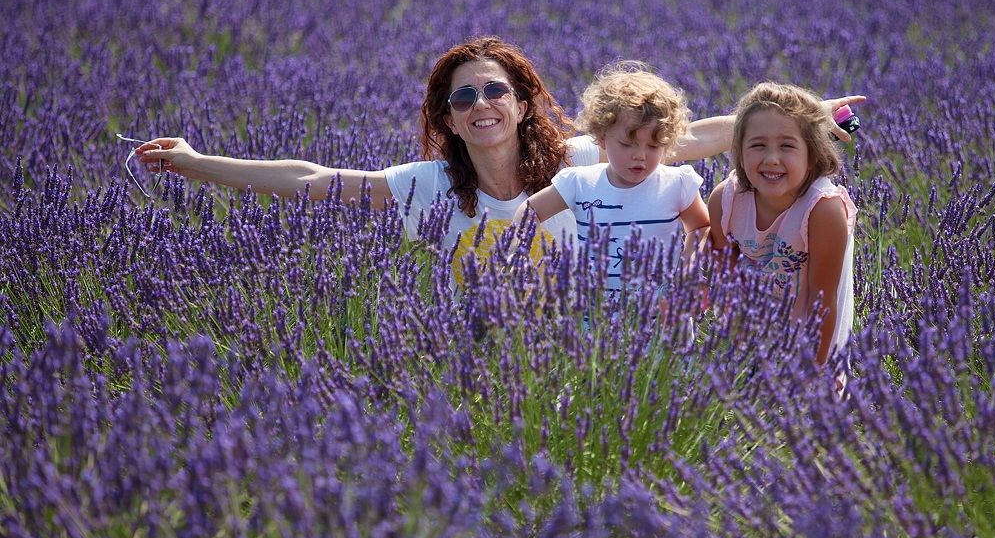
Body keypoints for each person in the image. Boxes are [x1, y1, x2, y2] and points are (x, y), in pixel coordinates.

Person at [135, 36, 863, 278]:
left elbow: (694, 138)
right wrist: (196, 160)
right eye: (461, 98)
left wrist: (810, 115)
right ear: (446, 121)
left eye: (494, 91)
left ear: (521, 104)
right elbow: (314, 182)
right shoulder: (429, 185)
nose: (479, 104)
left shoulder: (578, 161)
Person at [515, 62, 709, 292]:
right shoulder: (580, 183)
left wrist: (688, 269)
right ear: (602, 137)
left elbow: (700, 227)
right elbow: (529, 211)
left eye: (654, 146)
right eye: (627, 145)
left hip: (662, 318)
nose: (640, 156)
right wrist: (520, 250)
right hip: (595, 319)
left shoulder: (677, 183)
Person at [706, 82, 857, 366]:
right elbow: (726, 280)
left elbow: (822, 302)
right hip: (749, 342)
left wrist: (813, 375)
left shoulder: (822, 210)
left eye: (787, 145)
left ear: (812, 155)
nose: (771, 159)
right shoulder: (725, 200)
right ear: (738, 152)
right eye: (757, 145)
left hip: (810, 344)